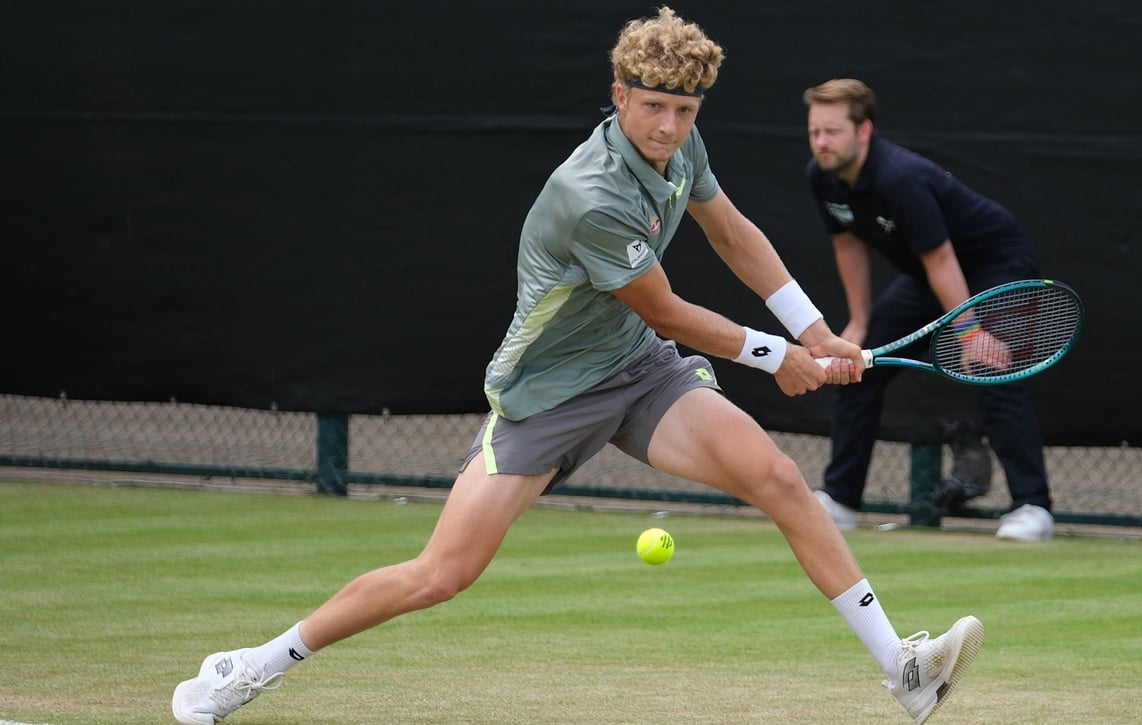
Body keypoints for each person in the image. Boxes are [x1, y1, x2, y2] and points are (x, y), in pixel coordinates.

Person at [171, 11, 984, 724]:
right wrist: (779, 356)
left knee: (775, 475)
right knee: (441, 574)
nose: (668, 127)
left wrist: (813, 329)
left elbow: (732, 233)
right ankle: (251, 667)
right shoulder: (590, 194)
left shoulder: (682, 146)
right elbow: (664, 307)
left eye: (684, 110)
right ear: (620, 95)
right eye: (655, 107)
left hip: (639, 372)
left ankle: (902, 670)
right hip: (547, 394)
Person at [802, 77, 1055, 541]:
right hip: (930, 273)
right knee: (856, 365)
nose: (821, 141)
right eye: (815, 130)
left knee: (994, 370)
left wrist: (970, 332)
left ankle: (1032, 508)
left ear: (864, 132)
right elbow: (848, 247)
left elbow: (941, 258)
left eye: (832, 131)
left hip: (996, 261)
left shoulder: (900, 178)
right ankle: (839, 501)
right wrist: (859, 322)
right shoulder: (822, 177)